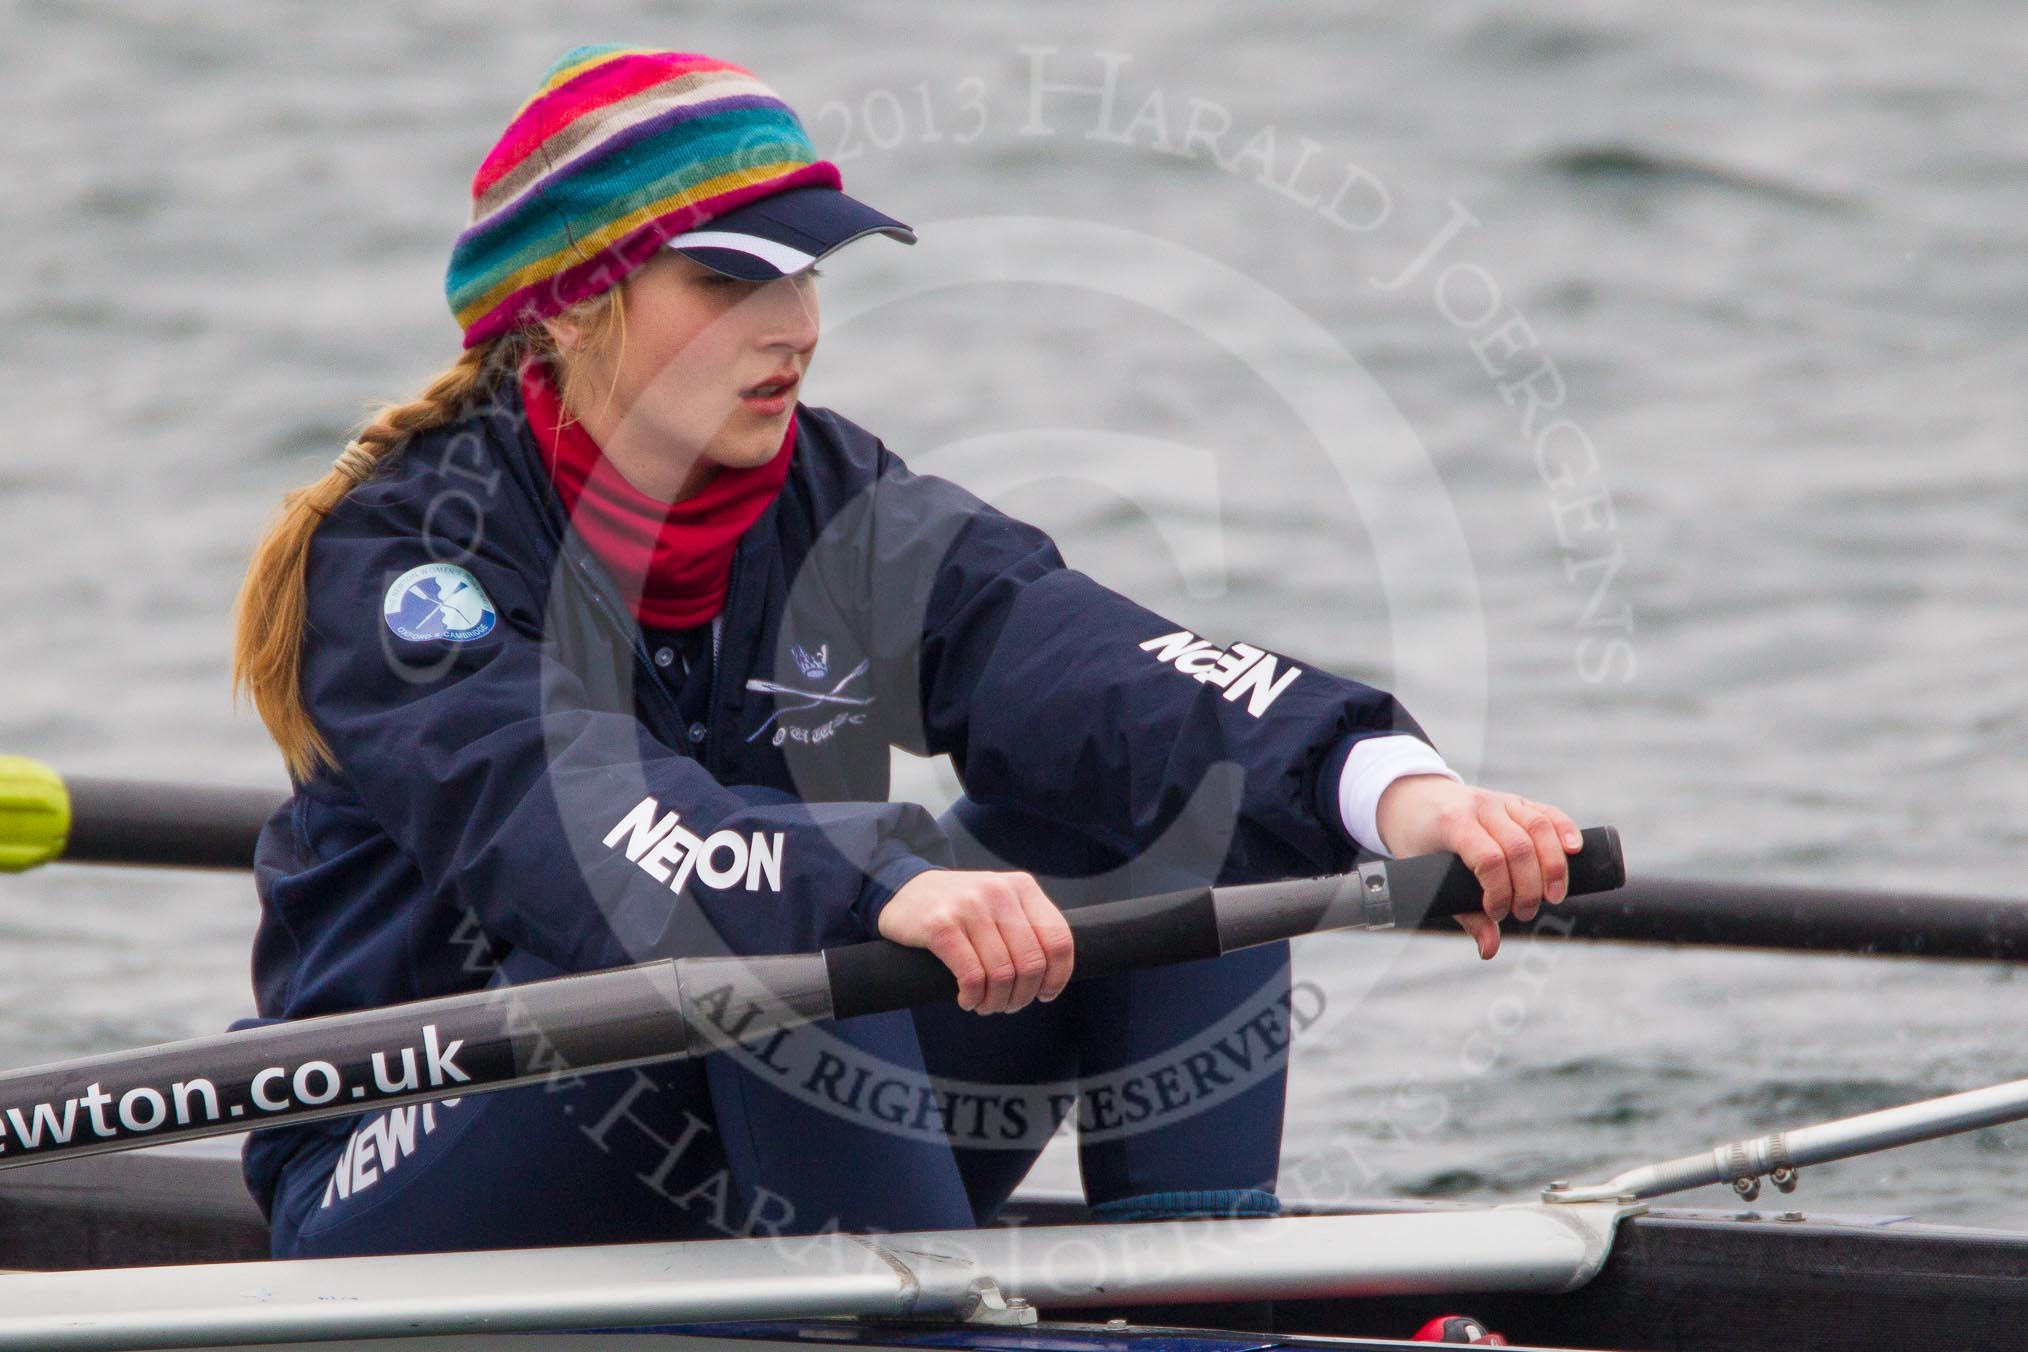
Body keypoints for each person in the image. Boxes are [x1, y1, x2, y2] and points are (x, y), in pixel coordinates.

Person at [231, 45, 1585, 1258]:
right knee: (777, 927)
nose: (796, 326)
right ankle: (924, 1316)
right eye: (730, 278)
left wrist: (1393, 790)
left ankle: (1202, 1291)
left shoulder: (836, 502)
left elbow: (1091, 667)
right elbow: (570, 821)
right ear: (575, 308)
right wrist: (864, 876)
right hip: (415, 1134)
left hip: (800, 1082)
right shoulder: (410, 554)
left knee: (1182, 806)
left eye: (808, 269)